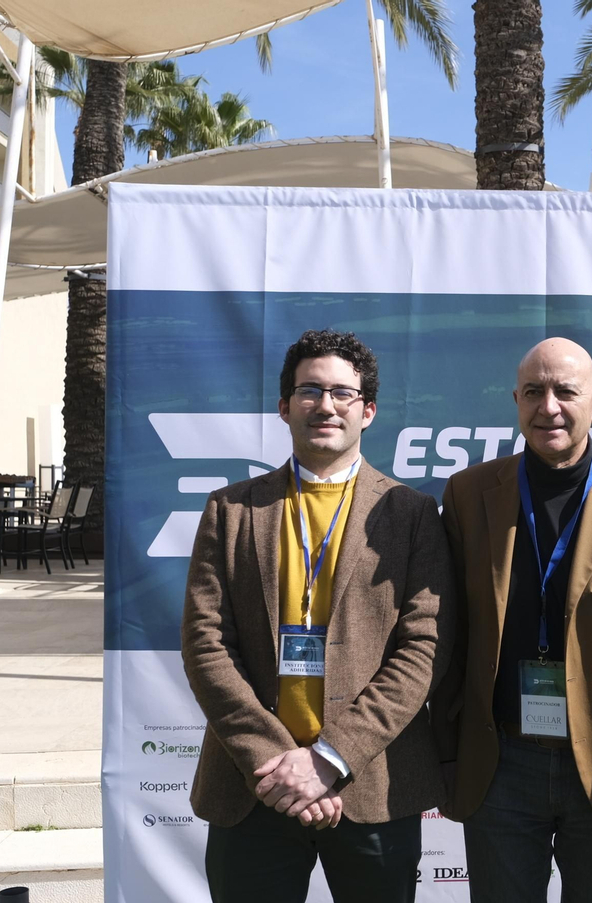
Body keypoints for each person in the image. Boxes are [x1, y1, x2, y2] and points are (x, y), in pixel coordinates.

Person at [180, 330, 455, 902]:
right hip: (254, 787)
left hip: (370, 785)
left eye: (342, 393)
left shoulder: (412, 514)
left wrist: (330, 760)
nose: (325, 405)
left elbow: (423, 650)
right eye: (309, 390)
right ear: (284, 407)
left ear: (368, 410)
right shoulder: (230, 510)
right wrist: (278, 765)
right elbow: (206, 644)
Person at [435, 337, 592, 903]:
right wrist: (447, 757)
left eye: (565, 392)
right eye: (534, 392)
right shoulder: (468, 495)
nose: (548, 406)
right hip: (499, 766)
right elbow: (448, 642)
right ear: (516, 400)